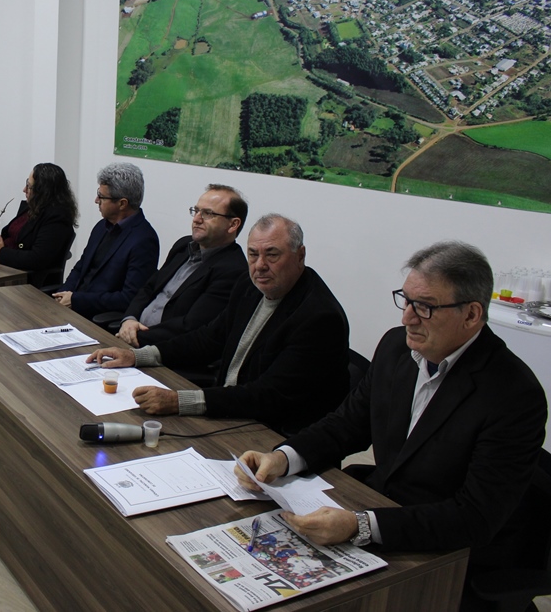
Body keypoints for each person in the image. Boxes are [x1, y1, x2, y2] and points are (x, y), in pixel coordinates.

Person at [234, 242, 546, 607]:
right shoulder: (397, 348)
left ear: (472, 314)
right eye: (406, 300)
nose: (407, 318)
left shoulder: (513, 394)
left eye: (425, 307)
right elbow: (346, 424)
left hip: (446, 555)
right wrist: (283, 457)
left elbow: (473, 517)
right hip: (379, 505)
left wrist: (361, 525)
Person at [88, 214, 349, 435]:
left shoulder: (319, 317)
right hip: (230, 409)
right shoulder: (250, 286)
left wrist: (180, 401)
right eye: (253, 254)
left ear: (300, 255)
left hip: (273, 432)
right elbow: (209, 338)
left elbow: (269, 395)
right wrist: (137, 356)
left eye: (272, 255)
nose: (260, 266)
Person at [116, 184, 248, 348]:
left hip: (160, 350)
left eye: (208, 213)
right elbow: (149, 288)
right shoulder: (183, 245)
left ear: (233, 225)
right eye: (196, 210)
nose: (196, 219)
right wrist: (129, 319)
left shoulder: (232, 270)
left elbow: (190, 326)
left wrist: (135, 336)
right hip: (130, 334)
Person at [53, 163, 158, 320]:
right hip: (72, 307)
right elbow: (80, 268)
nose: (96, 200)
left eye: (101, 197)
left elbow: (128, 298)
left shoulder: (144, 240)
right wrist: (62, 294)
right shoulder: (101, 226)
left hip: (96, 318)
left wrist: (76, 300)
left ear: (122, 203)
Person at [0, 163, 79, 288]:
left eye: (29, 186)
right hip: (5, 269)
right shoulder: (32, 208)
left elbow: (37, 259)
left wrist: (0, 252)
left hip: (24, 280)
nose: (24, 190)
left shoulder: (57, 219)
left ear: (43, 191)